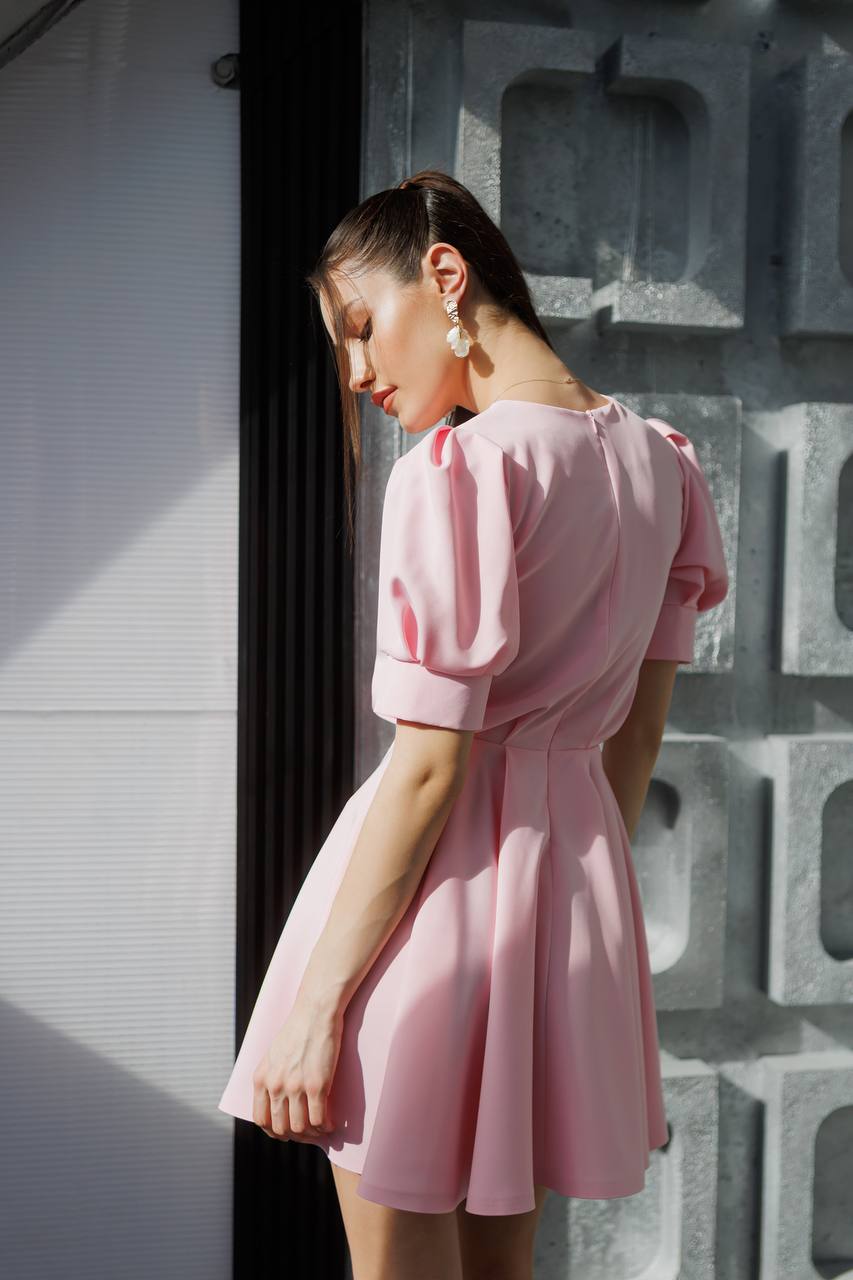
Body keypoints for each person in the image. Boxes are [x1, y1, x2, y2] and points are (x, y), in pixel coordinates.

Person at [217, 169, 729, 1280]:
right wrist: (563, 905)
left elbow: (426, 769)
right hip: (558, 918)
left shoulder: (458, 473)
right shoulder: (666, 470)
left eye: (361, 328)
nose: (354, 372)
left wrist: (315, 1010)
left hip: (424, 929)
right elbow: (632, 743)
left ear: (443, 275)